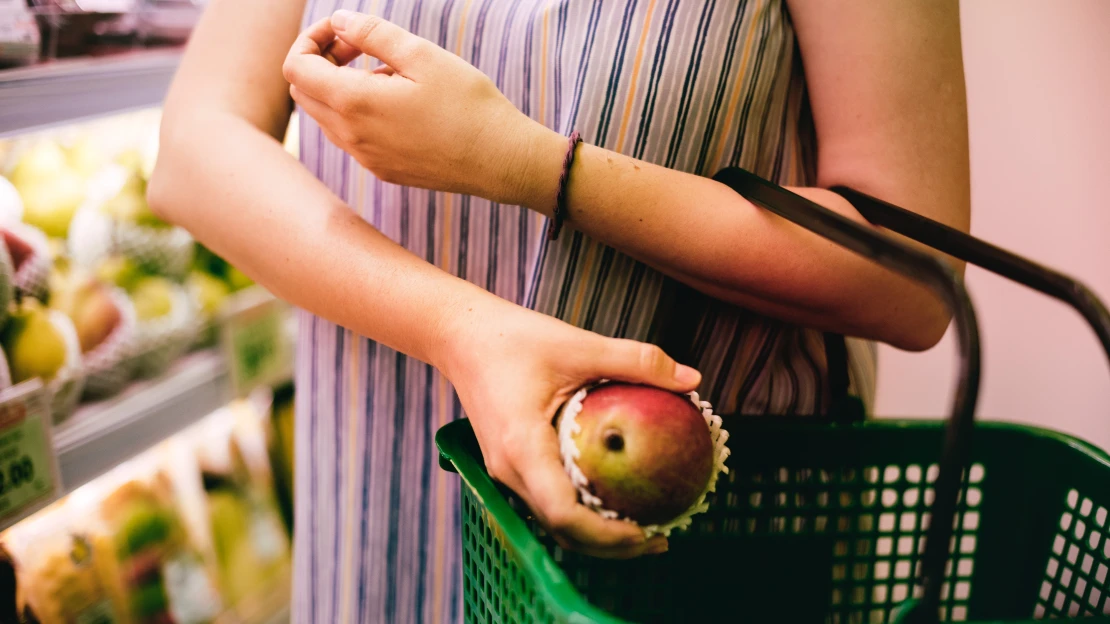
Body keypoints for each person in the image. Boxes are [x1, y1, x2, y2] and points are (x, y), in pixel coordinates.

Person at [149, 0, 970, 621]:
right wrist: (460, 328)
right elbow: (196, 143)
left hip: (700, 510)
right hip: (381, 488)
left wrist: (528, 164)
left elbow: (913, 277)